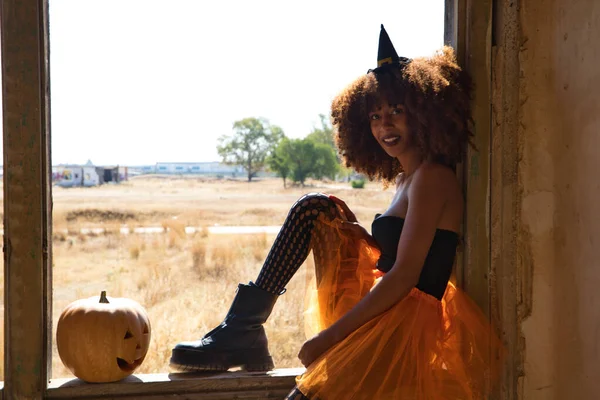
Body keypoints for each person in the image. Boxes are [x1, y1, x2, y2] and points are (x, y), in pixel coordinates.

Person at [170, 25, 505, 399]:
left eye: (397, 111)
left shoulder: (432, 178)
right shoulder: (406, 180)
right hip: (385, 311)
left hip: (400, 326)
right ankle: (244, 327)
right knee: (317, 209)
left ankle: (243, 329)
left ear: (425, 114)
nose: (385, 126)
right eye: (375, 117)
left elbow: (404, 276)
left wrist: (327, 338)